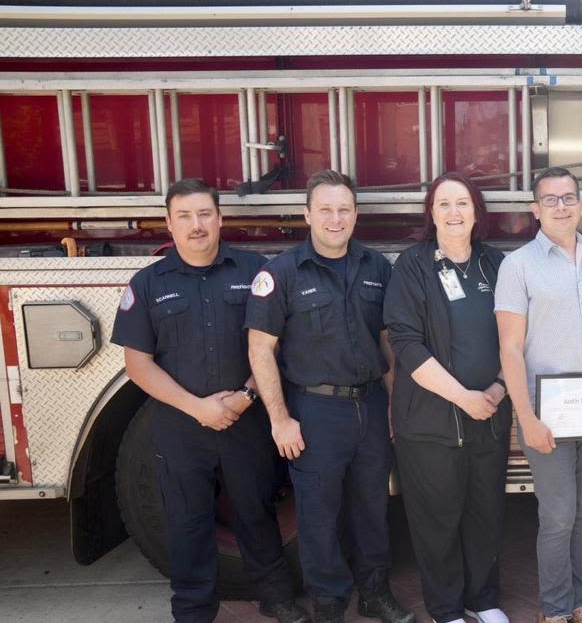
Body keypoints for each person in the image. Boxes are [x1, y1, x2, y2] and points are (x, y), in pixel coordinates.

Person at [111, 178, 308, 623]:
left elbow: (276, 343)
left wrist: (243, 396)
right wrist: (198, 407)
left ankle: (275, 597)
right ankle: (194, 608)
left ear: (220, 218)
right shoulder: (147, 283)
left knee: (256, 510)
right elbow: (138, 364)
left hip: (246, 420)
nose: (195, 225)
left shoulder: (256, 273)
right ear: (169, 223)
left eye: (204, 214)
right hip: (181, 426)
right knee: (187, 522)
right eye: (184, 216)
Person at [245, 170, 413, 623]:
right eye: (326, 210)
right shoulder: (280, 273)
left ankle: (375, 592)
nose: (335, 219)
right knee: (319, 513)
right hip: (314, 409)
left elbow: (387, 344)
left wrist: (394, 405)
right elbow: (260, 350)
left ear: (355, 215)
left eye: (344, 210)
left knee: (373, 506)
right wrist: (280, 420)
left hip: (372, 404)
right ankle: (328, 601)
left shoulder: (377, 267)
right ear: (307, 214)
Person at [494, 166, 582, 623]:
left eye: (568, 197)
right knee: (557, 515)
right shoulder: (517, 267)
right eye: (550, 199)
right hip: (546, 418)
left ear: (581, 204)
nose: (560, 206)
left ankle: (576, 602)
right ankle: (555, 610)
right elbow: (510, 349)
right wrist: (526, 418)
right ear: (535, 210)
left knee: (580, 509)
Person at [384, 172, 511, 623]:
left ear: (477, 212)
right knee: (436, 521)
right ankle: (447, 610)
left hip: (489, 416)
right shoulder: (412, 265)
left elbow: (517, 339)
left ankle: (484, 600)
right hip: (430, 423)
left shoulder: (496, 265)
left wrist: (496, 389)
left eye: (462, 203)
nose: (454, 213)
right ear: (431, 213)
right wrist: (463, 398)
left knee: (485, 513)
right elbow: (406, 343)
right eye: (443, 204)